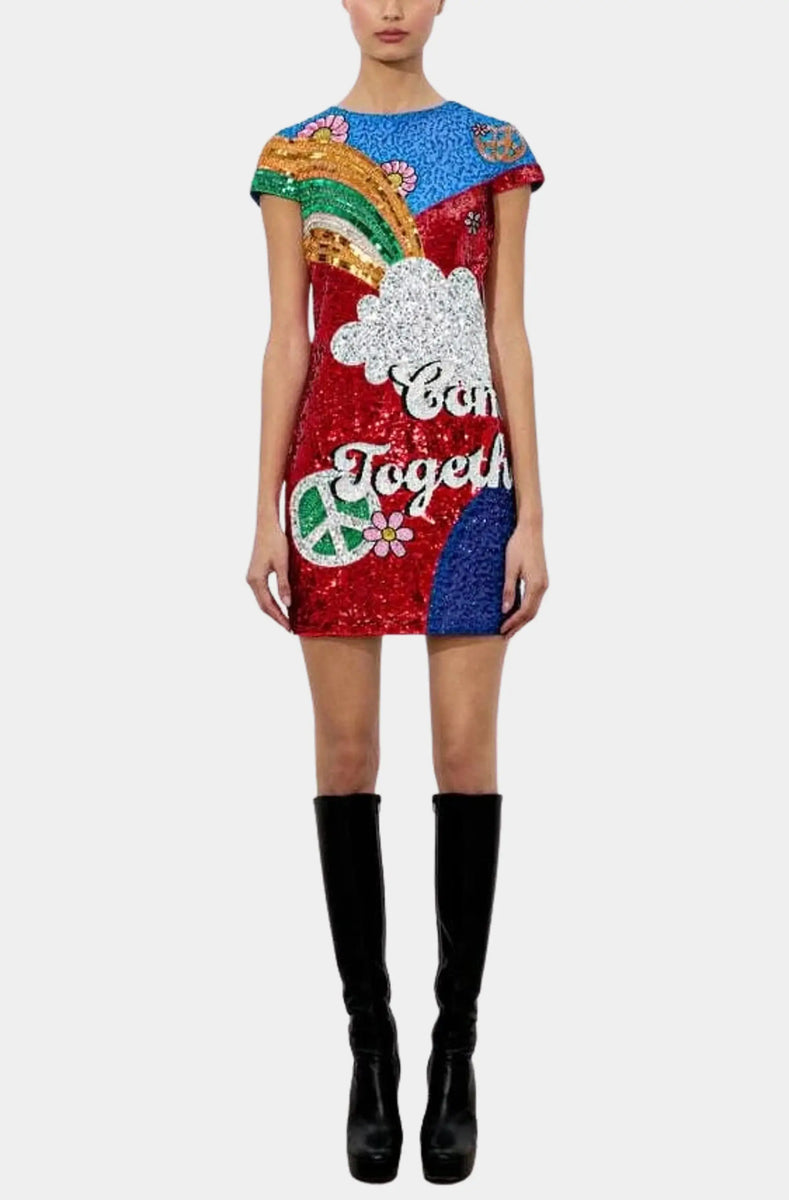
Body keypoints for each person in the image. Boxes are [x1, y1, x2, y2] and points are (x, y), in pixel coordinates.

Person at [246, 0, 548, 1184]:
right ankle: (369, 1053)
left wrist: (533, 511)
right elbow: (287, 340)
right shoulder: (294, 155)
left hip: (466, 484)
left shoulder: (493, 149)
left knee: (465, 755)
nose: (389, 8)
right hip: (340, 486)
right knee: (346, 756)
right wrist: (265, 510)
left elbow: (509, 333)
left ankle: (455, 1051)